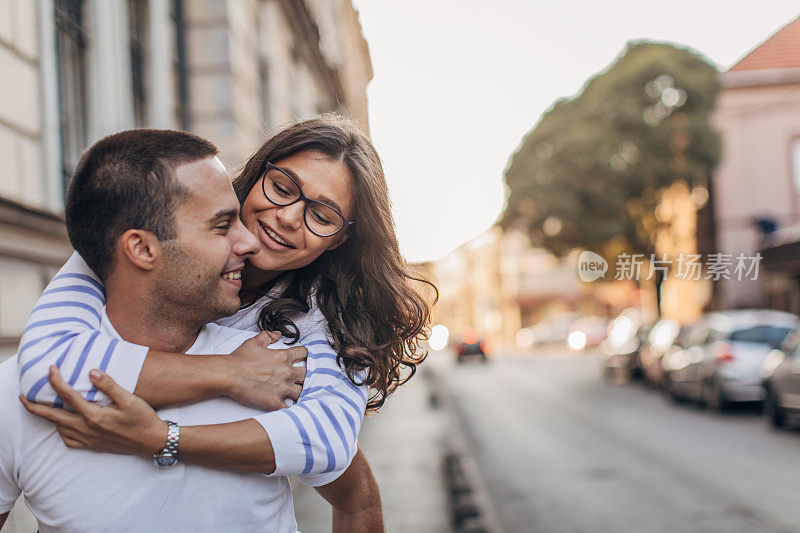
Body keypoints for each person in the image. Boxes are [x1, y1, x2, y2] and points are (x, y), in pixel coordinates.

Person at [12, 116, 433, 527]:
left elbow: (327, 442)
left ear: (340, 238)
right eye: (282, 188)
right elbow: (45, 367)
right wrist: (230, 373)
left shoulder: (323, 319)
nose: (287, 217)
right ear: (256, 175)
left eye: (321, 217)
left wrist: (162, 437)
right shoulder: (157, 225)